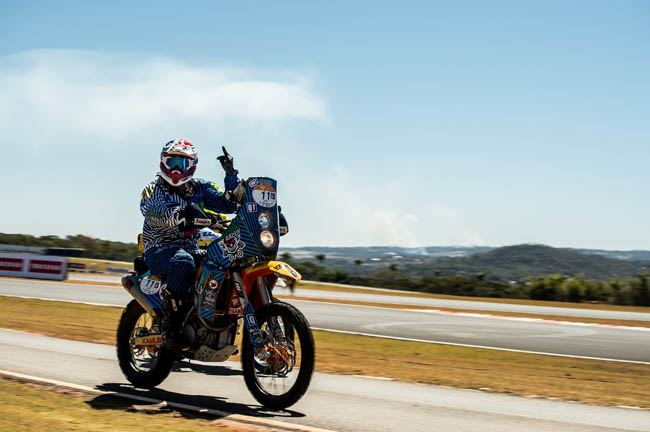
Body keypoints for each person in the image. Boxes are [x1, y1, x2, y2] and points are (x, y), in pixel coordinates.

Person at [139, 138, 238, 338]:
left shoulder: (201, 187)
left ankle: (210, 314)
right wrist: (180, 215)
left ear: (192, 165)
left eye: (181, 163)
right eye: (171, 162)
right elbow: (150, 211)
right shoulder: (153, 188)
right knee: (183, 260)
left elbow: (229, 205)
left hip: (191, 247)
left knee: (221, 261)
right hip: (159, 248)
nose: (175, 169)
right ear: (162, 162)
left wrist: (231, 176)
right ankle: (172, 325)